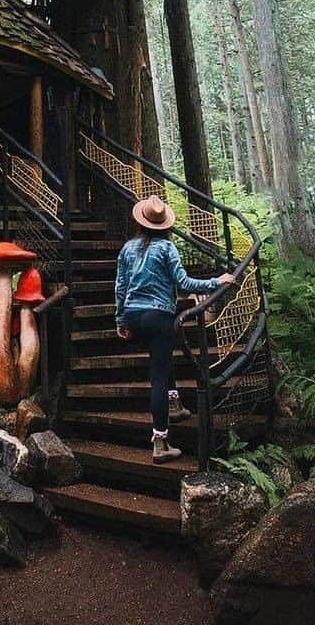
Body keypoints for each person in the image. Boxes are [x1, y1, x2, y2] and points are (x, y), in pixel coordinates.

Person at [115, 194, 237, 464]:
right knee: (158, 374)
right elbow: (183, 283)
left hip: (135, 316)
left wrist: (121, 320)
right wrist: (216, 281)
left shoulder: (127, 248)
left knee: (162, 356)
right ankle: (160, 441)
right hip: (159, 315)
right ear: (163, 225)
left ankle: (175, 403)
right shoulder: (166, 248)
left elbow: (121, 288)